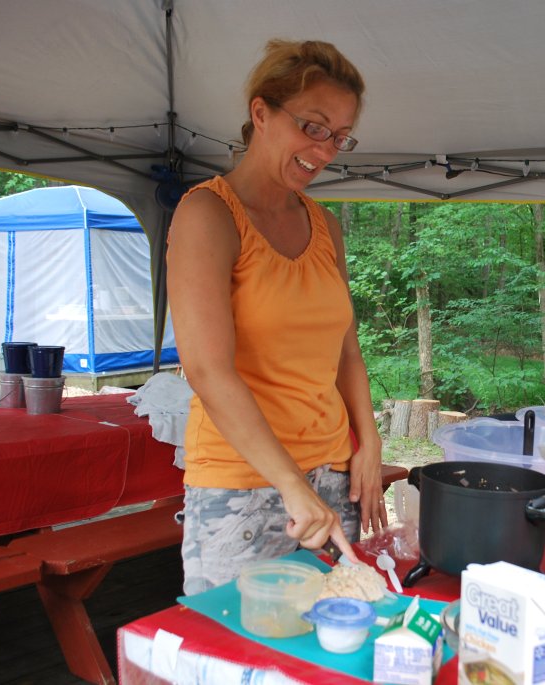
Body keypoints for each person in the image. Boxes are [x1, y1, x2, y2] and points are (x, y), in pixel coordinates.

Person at [166, 39, 385, 595]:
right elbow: (208, 370)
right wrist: (291, 484)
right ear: (261, 113)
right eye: (314, 127)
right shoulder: (207, 215)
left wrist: (370, 444)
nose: (327, 149)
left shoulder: (325, 224)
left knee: (331, 655)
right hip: (243, 487)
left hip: (333, 478)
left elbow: (346, 353)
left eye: (340, 136)